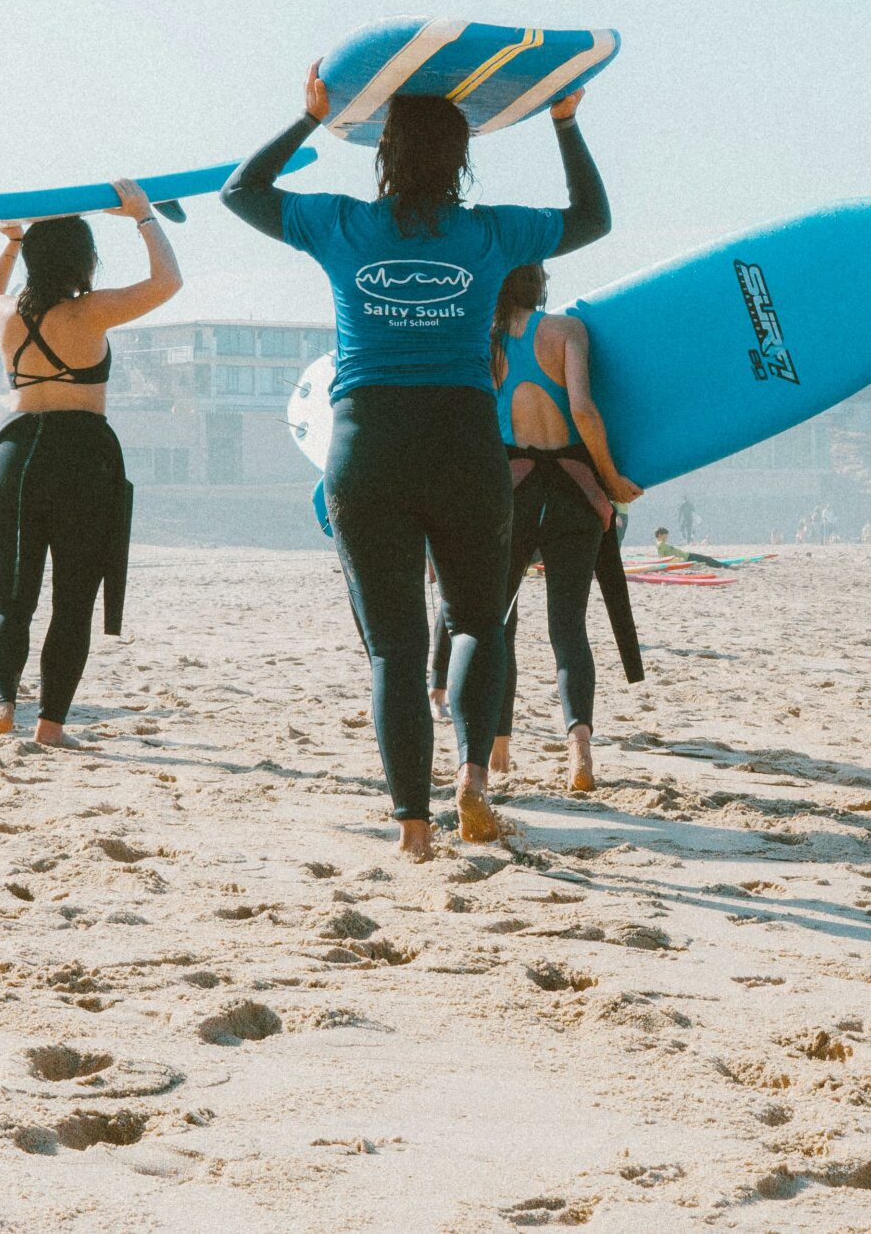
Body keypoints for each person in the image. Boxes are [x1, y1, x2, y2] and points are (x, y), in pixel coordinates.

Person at [226, 64, 610, 860]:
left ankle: (412, 829)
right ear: (463, 158)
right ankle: (471, 782)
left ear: (383, 153)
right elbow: (592, 219)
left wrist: (307, 118)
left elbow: (241, 191)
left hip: (366, 443)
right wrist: (565, 122)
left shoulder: (341, 225)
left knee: (396, 649)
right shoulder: (491, 233)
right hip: (464, 441)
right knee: (476, 618)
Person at [0, 180, 180, 750]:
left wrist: (9, 244)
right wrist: (143, 216)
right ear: (85, 261)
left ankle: (2, 704)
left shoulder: (4, 314)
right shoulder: (95, 311)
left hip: (16, 452)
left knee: (13, 595)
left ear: (32, 260)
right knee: (74, 597)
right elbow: (167, 282)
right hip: (81, 454)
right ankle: (51, 726)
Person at [489, 262, 642, 793]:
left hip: (511, 494)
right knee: (568, 629)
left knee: (496, 623)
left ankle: (498, 747)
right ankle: (579, 749)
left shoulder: (483, 343)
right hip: (574, 493)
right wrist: (610, 479)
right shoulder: (566, 331)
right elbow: (582, 409)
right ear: (540, 285)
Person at [652, 527, 729, 569]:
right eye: (665, 535)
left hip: (687, 556)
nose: (666, 537)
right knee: (707, 560)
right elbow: (662, 559)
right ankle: (726, 566)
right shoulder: (660, 545)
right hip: (687, 558)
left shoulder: (661, 544)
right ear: (659, 535)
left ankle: (723, 565)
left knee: (707, 560)